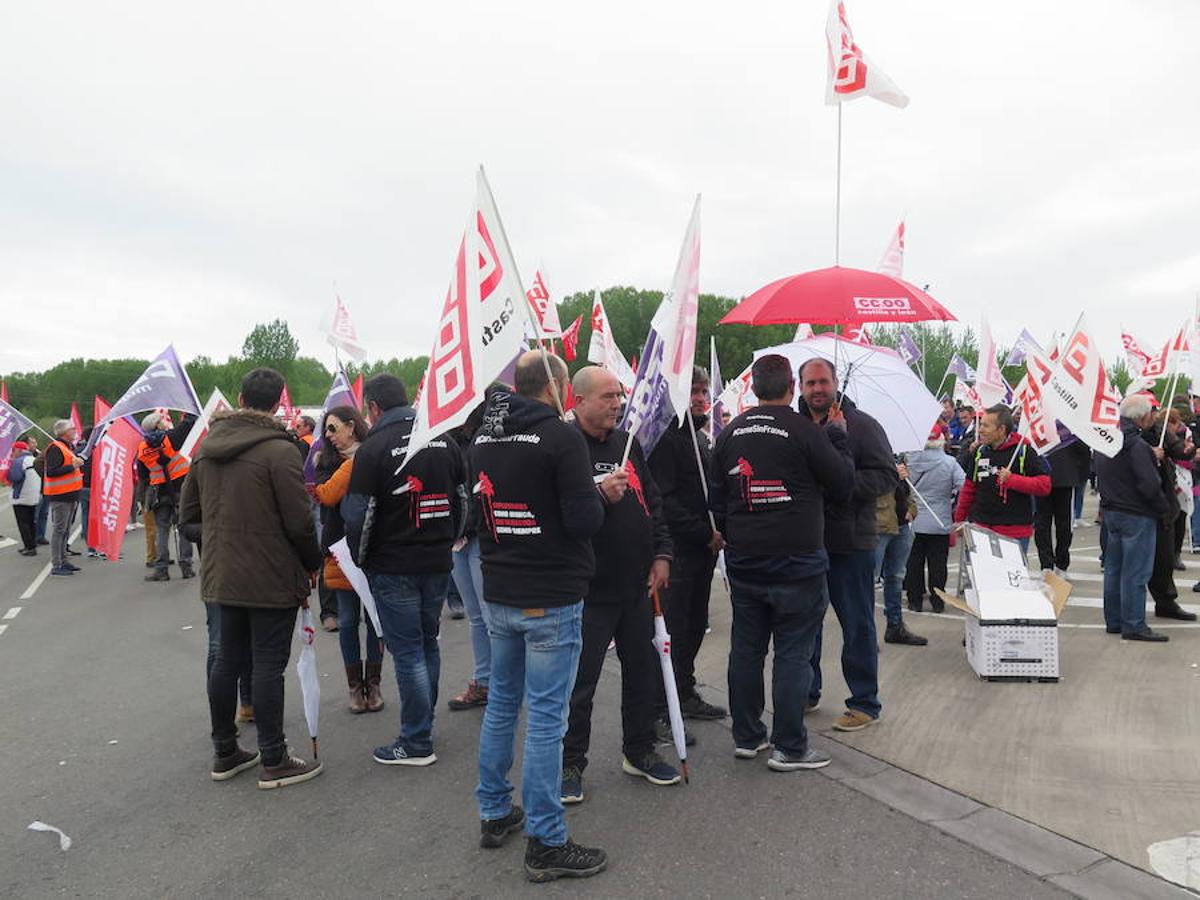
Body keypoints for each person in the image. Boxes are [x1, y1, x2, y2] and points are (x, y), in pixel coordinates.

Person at [470, 351, 607, 882]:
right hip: (550, 592)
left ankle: (494, 809)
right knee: (549, 718)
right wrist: (597, 493)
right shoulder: (561, 438)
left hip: (500, 588)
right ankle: (547, 840)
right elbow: (583, 520)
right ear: (557, 386)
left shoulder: (483, 436)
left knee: (503, 704)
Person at [180, 366, 324, 788]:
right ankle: (274, 758)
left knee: (228, 660)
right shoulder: (281, 452)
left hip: (222, 574)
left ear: (240, 399)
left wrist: (224, 540)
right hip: (269, 574)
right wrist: (311, 561)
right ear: (279, 403)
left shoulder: (206, 449)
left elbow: (189, 520)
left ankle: (225, 751)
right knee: (265, 664)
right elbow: (300, 523)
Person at [711, 354, 854, 769]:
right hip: (797, 564)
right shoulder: (807, 431)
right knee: (792, 654)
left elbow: (716, 500)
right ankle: (790, 747)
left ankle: (747, 735)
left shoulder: (730, 432)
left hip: (746, 561)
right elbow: (843, 484)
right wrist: (839, 437)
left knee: (746, 649)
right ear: (792, 384)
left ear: (753, 385)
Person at [561, 366, 678, 805]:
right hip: (588, 590)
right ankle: (570, 763)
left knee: (643, 673)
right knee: (581, 684)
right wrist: (597, 495)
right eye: (607, 396)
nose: (617, 403)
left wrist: (662, 553)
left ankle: (640, 750)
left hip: (637, 583)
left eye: (619, 395)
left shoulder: (628, 444)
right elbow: (561, 517)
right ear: (579, 401)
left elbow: (654, 502)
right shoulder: (564, 447)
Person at [343, 374, 465, 767]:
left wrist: (361, 560)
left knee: (409, 650)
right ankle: (421, 726)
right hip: (436, 561)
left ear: (374, 407)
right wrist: (450, 540)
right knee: (427, 642)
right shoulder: (444, 439)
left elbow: (357, 514)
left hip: (393, 565)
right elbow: (463, 501)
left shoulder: (373, 448)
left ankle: (416, 740)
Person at [797, 359, 898, 732]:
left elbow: (886, 476)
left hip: (851, 543)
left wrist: (842, 485)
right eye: (810, 383)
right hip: (807, 540)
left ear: (836, 383)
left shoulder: (862, 425)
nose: (817, 389)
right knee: (806, 622)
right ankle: (807, 691)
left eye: (823, 382)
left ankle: (864, 702)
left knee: (856, 623)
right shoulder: (797, 426)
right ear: (801, 386)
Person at [647, 365, 727, 723]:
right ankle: (663, 706)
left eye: (703, 391)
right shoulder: (667, 439)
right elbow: (664, 501)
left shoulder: (701, 438)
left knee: (695, 624)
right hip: (677, 553)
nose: (699, 398)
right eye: (693, 391)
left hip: (702, 553)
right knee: (676, 628)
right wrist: (703, 532)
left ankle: (683, 689)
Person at [313, 405, 384, 714]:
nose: (328, 436)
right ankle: (355, 687)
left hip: (374, 549)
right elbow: (326, 497)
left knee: (375, 622)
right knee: (347, 621)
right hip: (340, 551)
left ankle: (375, 684)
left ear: (352, 426)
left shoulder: (376, 455)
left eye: (333, 428)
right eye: (325, 430)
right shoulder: (325, 462)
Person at [1095, 395, 1173, 641]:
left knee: (1114, 570)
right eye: (1150, 413)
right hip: (1136, 514)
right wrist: (1164, 509)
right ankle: (1134, 624)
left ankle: (1115, 620)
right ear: (1141, 417)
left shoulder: (1107, 440)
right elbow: (1149, 485)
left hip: (1112, 511)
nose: (1152, 417)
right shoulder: (1137, 446)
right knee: (1136, 572)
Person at [953, 405, 1050, 558]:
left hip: (1014, 532)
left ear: (1001, 429)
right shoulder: (979, 452)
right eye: (981, 425)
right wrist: (959, 520)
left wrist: (1013, 480)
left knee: (1011, 581)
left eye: (986, 425)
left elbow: (1044, 486)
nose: (980, 430)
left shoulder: (1023, 451)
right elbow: (969, 488)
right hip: (981, 528)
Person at [446, 402, 493, 712]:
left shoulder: (488, 436)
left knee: (491, 618)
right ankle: (484, 680)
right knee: (477, 617)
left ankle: (501, 684)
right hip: (456, 538)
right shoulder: (447, 439)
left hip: (480, 536)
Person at [1141, 409, 1197, 621]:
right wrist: (1149, 453)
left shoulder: (1158, 429)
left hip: (1161, 501)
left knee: (1164, 556)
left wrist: (1189, 450)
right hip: (1135, 505)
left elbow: (1179, 451)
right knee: (1128, 563)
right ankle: (1124, 614)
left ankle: (1165, 601)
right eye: (1149, 411)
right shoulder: (1120, 433)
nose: (1152, 414)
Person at [904, 427, 964, 612]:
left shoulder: (909, 461)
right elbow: (963, 484)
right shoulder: (950, 462)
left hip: (914, 520)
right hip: (940, 520)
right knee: (938, 563)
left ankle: (914, 599)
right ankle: (937, 600)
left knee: (914, 562)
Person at [137, 411, 198, 582]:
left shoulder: (142, 448)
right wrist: (188, 407)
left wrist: (142, 499)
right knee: (183, 528)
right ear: (157, 425)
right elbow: (189, 423)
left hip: (159, 492)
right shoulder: (170, 438)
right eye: (161, 421)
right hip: (180, 489)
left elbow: (142, 477)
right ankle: (186, 567)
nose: (164, 422)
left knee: (162, 531)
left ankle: (161, 569)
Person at [875, 469, 926, 645]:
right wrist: (891, 474)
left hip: (902, 524)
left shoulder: (898, 454)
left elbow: (906, 488)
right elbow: (862, 483)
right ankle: (863, 636)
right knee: (868, 581)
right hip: (877, 524)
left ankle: (895, 626)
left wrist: (912, 508)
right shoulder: (866, 448)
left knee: (896, 577)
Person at [1035, 432, 1092, 576]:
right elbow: (1084, 454)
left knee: (1053, 524)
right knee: (1057, 524)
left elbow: (1083, 454)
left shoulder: (1044, 425)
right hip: (1058, 478)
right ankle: (1054, 564)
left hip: (1056, 479)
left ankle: (1052, 564)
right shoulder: (1068, 429)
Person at [44, 419, 84, 577]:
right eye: (72, 429)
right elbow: (52, 472)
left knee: (65, 529)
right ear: (63, 432)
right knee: (59, 530)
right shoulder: (55, 448)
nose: (74, 430)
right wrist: (72, 466)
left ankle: (63, 560)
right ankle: (57, 564)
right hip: (60, 495)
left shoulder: (67, 447)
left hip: (70, 494)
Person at [8, 441, 41, 555]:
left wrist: (8, 473)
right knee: (32, 521)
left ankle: (29, 547)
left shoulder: (18, 461)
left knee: (23, 523)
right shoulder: (33, 459)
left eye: (13, 451)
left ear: (18, 450)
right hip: (34, 494)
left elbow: (15, 477)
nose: (12, 453)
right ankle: (33, 544)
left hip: (21, 496)